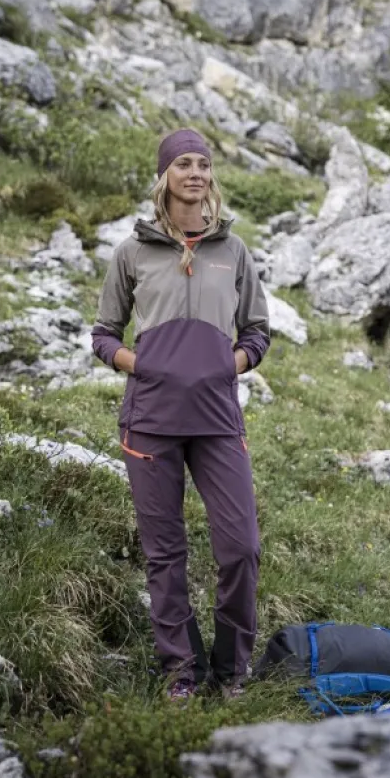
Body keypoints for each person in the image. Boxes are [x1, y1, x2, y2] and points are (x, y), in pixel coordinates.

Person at [91, 128, 270, 701]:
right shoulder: (133, 252)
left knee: (241, 547)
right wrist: (141, 365)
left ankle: (232, 669)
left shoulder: (233, 251)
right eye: (183, 164)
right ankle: (180, 671)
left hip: (217, 420)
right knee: (164, 553)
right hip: (150, 421)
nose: (195, 173)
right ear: (164, 176)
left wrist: (227, 364)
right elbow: (103, 334)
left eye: (203, 164)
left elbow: (258, 332)